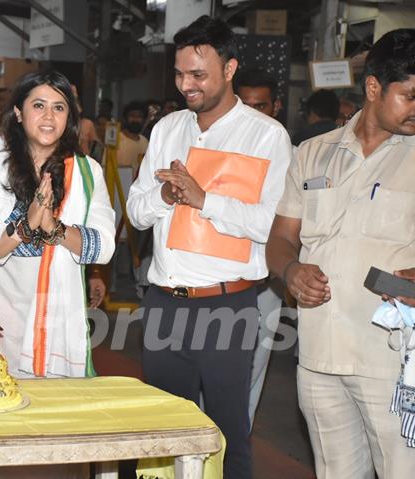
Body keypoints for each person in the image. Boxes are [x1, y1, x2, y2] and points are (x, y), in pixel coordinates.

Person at [126, 16, 291, 478]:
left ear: (230, 67)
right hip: (163, 303)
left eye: (198, 74)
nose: (186, 85)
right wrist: (165, 196)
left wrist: (205, 200)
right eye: (179, 74)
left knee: (225, 432)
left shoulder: (266, 137)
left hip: (228, 305)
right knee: (163, 430)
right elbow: (137, 213)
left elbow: (274, 226)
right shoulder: (167, 129)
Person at [266, 29, 415, 478]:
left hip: (391, 360)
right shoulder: (313, 154)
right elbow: (280, 239)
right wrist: (290, 271)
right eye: (409, 96)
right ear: (374, 88)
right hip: (319, 356)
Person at [0, 70, 115, 380]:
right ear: (18, 112)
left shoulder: (87, 173)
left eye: (59, 107)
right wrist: (26, 225)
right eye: (38, 105)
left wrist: (54, 228)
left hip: (55, 321)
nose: (49, 116)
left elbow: (104, 247)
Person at [235, 67, 287, 429]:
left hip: (267, 282)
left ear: (276, 107)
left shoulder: (292, 155)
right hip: (216, 281)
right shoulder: (216, 149)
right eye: (246, 105)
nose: (254, 113)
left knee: (253, 368)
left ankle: (237, 446)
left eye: (262, 105)